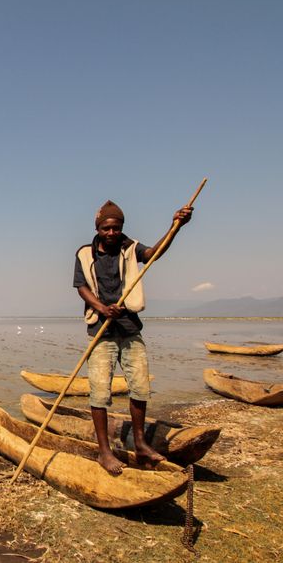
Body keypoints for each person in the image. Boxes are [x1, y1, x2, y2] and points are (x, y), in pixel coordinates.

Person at [73, 200, 192, 474]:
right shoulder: (84, 254)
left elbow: (152, 254)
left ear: (121, 228)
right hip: (100, 330)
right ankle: (104, 452)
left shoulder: (129, 248)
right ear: (98, 228)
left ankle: (139, 443)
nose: (112, 233)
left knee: (139, 387)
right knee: (99, 392)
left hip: (130, 327)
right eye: (106, 229)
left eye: (116, 228)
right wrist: (103, 308)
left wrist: (176, 227)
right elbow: (81, 287)